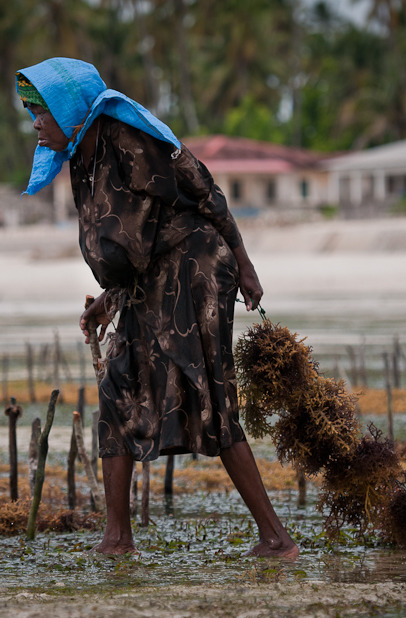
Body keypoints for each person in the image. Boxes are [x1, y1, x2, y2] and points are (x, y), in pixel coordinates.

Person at [16, 57, 297, 559]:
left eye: (41, 111)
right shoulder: (85, 154)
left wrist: (245, 262)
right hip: (153, 279)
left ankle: (276, 539)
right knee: (115, 387)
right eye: (29, 112)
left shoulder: (127, 139)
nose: (35, 122)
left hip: (196, 271)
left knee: (211, 394)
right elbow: (138, 241)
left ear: (67, 108)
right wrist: (111, 298)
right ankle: (117, 538)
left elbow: (201, 189)